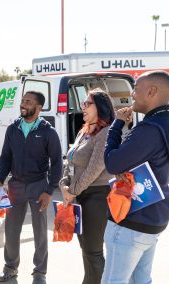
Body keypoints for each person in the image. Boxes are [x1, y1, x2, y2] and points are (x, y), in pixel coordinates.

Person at [102, 70, 169, 284]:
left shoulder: (150, 129)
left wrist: (117, 125)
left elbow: (112, 163)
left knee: (114, 280)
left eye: (136, 89)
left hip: (132, 219)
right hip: (154, 217)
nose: (132, 95)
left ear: (152, 91)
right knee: (141, 280)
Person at [0, 91, 62, 284]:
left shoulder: (48, 132)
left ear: (39, 107)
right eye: (23, 101)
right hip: (15, 185)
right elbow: (6, 156)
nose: (23, 104)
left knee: (40, 232)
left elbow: (57, 163)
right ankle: (10, 269)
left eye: (29, 102)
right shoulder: (13, 129)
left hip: (38, 186)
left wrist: (49, 191)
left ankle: (39, 273)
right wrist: (0, 179)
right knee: (11, 230)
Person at [59, 89, 115, 284]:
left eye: (87, 104)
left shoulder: (106, 133)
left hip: (96, 198)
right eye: (82, 104)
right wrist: (64, 185)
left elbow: (94, 170)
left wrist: (71, 191)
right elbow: (70, 162)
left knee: (93, 252)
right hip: (78, 197)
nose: (83, 107)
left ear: (100, 106)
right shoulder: (84, 131)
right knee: (86, 251)